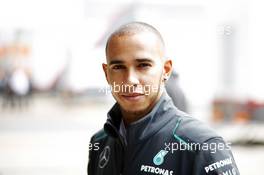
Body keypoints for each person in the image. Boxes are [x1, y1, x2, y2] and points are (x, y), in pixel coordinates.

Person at [88, 22, 240, 175]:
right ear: (107, 74)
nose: (130, 80)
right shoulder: (99, 142)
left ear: (166, 70)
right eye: (118, 67)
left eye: (143, 65)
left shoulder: (203, 146)